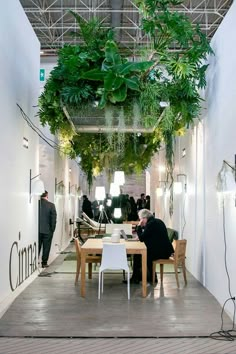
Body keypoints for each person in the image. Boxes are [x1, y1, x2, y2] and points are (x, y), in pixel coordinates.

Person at [131, 209, 174, 283]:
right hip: (164, 250)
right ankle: (148, 277)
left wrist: (139, 226)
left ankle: (137, 278)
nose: (140, 220)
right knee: (143, 254)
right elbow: (150, 235)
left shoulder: (151, 224)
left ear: (144, 218)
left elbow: (141, 238)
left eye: (140, 219)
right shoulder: (157, 221)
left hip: (161, 253)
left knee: (138, 254)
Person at [39, 191, 57, 268]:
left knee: (37, 246)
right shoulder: (51, 205)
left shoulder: (36, 204)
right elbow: (53, 219)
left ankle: (33, 262)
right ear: (47, 195)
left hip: (37, 231)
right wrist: (52, 229)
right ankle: (44, 263)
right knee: (46, 247)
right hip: (47, 230)